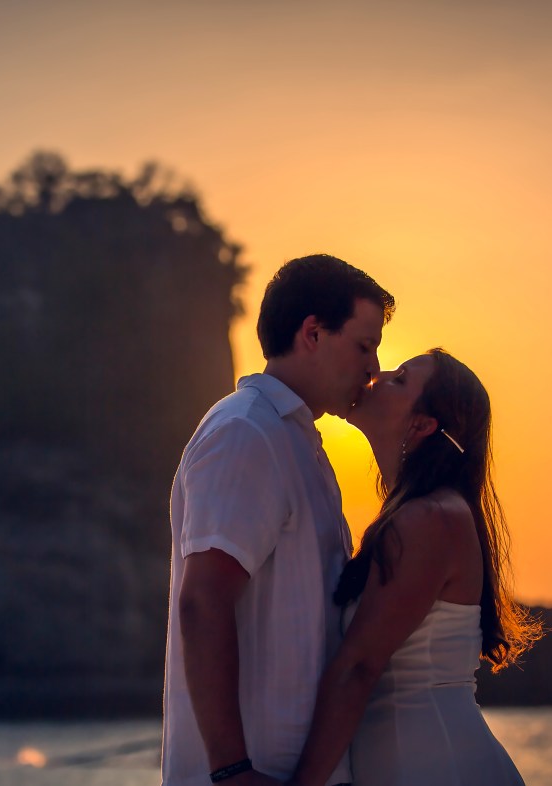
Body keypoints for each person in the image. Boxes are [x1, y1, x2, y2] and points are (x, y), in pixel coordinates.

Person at [161, 254, 395, 786]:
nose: (374, 368)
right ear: (313, 333)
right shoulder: (246, 432)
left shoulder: (296, 439)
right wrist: (232, 770)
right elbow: (203, 599)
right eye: (364, 346)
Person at [287, 349, 541, 786]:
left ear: (422, 425)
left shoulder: (430, 519)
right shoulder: (420, 514)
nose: (377, 375)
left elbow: (359, 667)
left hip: (437, 766)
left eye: (400, 378)